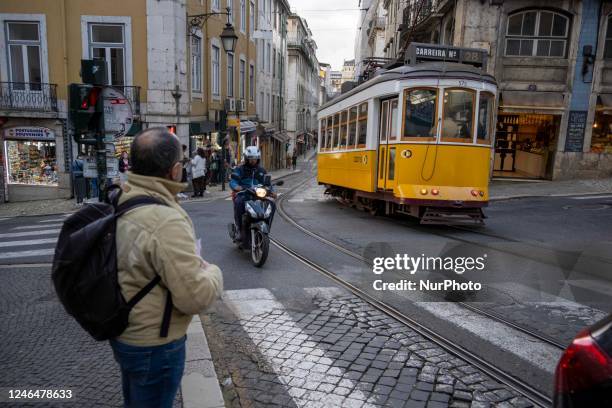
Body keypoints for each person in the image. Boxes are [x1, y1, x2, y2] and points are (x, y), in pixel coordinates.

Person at [112, 127, 223, 408]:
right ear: (174, 170)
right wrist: (214, 273)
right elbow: (194, 297)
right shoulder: (164, 219)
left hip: (127, 333)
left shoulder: (124, 197)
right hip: (155, 344)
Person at [229, 146, 275, 242]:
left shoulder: (261, 171)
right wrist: (236, 187)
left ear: (258, 159)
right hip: (244, 194)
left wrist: (272, 191)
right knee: (238, 203)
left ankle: (266, 228)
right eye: (250, 158)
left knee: (272, 204)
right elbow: (233, 181)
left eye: (255, 159)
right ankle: (239, 230)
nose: (253, 161)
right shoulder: (240, 169)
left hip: (258, 195)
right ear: (246, 158)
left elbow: (268, 183)